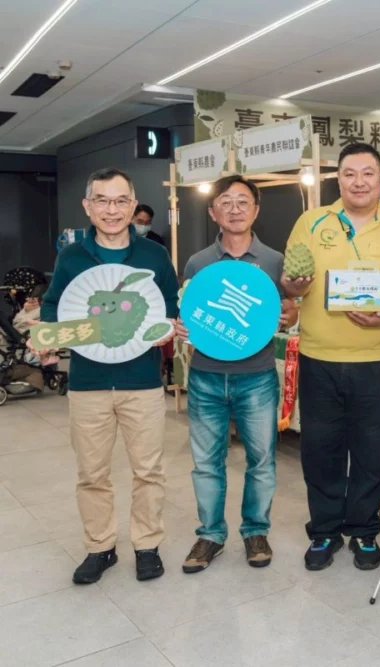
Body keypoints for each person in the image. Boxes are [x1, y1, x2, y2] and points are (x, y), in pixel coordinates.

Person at [35, 167, 178, 584]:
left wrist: (166, 329)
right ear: (88, 206)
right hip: (88, 383)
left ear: (134, 206)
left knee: (148, 470)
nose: (111, 210)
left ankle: (147, 545)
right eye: (102, 200)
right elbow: (53, 306)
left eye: (120, 201)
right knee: (92, 473)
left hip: (143, 382)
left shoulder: (153, 255)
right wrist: (49, 334)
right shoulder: (72, 257)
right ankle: (100, 547)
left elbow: (169, 308)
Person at [173, 176, 298, 574]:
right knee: (206, 462)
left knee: (261, 460)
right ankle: (210, 534)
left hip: (257, 376)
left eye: (243, 201)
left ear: (256, 210)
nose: (234, 208)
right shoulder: (198, 263)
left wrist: (291, 313)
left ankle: (255, 531)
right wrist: (182, 326)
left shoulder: (275, 261)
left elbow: (290, 311)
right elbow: (190, 312)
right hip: (206, 376)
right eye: (225, 202)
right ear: (213, 212)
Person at [282, 142, 380, 572]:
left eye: (368, 173)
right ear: (338, 179)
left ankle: (364, 530)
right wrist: (293, 285)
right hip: (318, 355)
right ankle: (325, 530)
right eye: (350, 173)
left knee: (372, 450)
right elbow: (292, 287)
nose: (359, 181)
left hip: (376, 360)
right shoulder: (312, 222)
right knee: (321, 449)